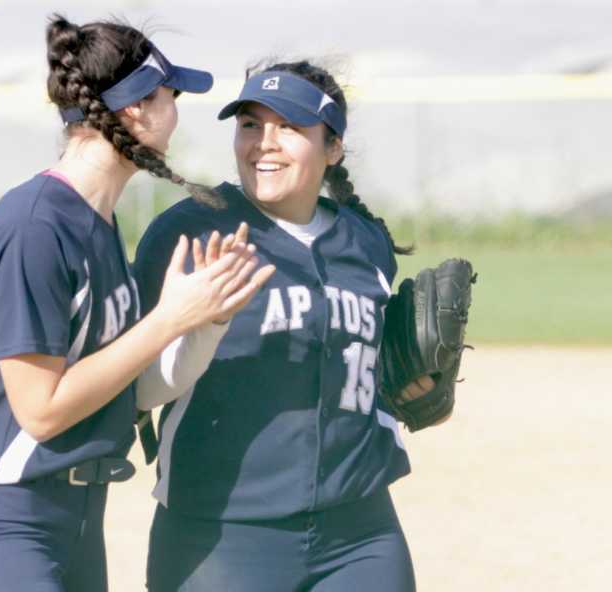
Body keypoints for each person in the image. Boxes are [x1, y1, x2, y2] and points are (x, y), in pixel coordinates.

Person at [0, 14, 274, 592]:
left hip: (76, 522)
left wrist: (205, 322)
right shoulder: (37, 223)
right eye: (171, 94)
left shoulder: (97, 226)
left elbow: (129, 390)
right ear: (134, 108)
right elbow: (41, 410)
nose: (177, 113)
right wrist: (168, 319)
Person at [134, 60, 437, 591]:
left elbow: (371, 366)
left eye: (289, 128)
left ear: (333, 148)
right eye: (250, 124)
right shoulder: (189, 231)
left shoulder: (365, 243)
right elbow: (132, 374)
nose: (263, 143)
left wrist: (415, 390)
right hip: (221, 531)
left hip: (360, 531)